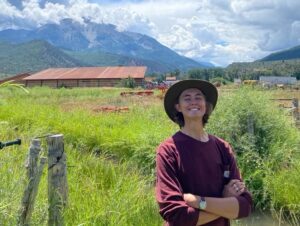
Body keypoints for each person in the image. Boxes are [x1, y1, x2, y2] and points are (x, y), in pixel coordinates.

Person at [155, 79, 252, 226]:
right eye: (187, 98)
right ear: (178, 107)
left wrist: (197, 201)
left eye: (198, 97)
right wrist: (224, 202)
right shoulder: (168, 150)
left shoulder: (223, 147)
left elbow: (245, 205)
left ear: (206, 106)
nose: (193, 101)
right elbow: (176, 215)